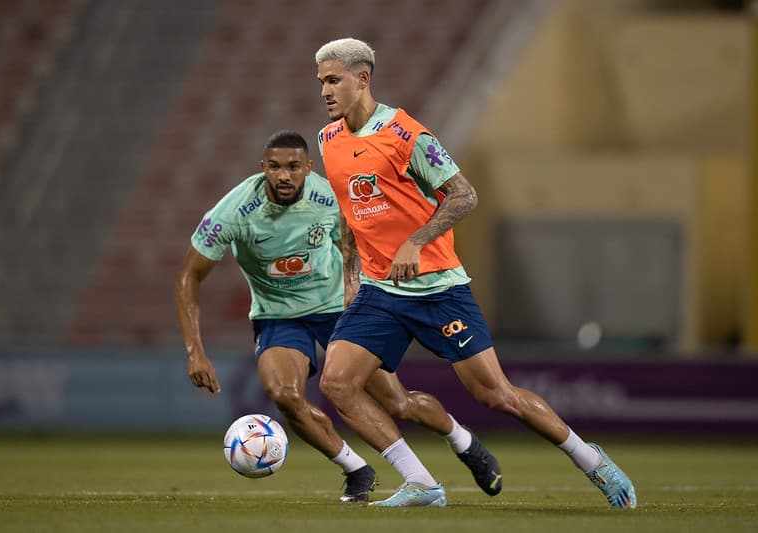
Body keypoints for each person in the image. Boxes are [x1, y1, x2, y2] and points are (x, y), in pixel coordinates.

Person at [314, 38, 637, 509]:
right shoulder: (329, 140)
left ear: (362, 79)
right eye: (321, 81)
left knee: (496, 395)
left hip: (439, 288)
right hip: (382, 291)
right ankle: (421, 483)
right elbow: (349, 212)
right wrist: (350, 276)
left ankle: (592, 460)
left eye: (333, 79)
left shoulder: (406, 135)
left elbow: (464, 195)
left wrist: (416, 240)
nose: (324, 90)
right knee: (337, 383)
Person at [174, 130, 502, 503]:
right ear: (262, 167)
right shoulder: (233, 212)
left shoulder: (328, 195)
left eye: (294, 167)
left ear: (308, 168)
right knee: (284, 395)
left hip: (335, 308)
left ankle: (463, 441)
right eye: (276, 167)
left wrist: (353, 286)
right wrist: (194, 352)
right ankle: (357, 470)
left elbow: (354, 240)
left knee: (398, 402)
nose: (284, 176)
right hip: (278, 315)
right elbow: (189, 275)